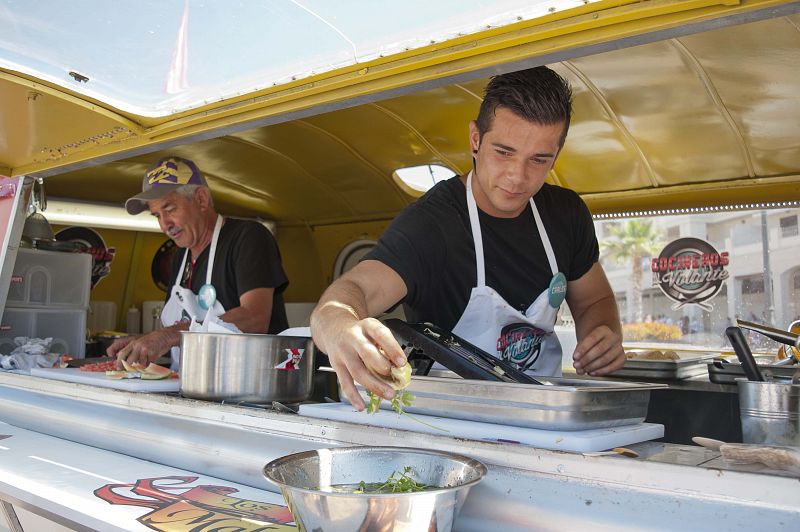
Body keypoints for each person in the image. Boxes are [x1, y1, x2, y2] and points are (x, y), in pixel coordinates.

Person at [310, 66, 625, 410]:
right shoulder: (432, 223)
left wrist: (603, 336)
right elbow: (352, 294)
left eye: (538, 159)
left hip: (545, 412)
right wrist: (340, 327)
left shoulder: (566, 215)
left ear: (556, 156)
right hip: (452, 417)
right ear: (475, 139)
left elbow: (594, 301)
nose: (516, 177)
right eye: (503, 152)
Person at [108, 156, 289, 370]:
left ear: (201, 199)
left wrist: (167, 337)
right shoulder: (179, 257)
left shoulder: (248, 238)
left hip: (249, 387)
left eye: (170, 209)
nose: (165, 225)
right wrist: (143, 342)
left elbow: (254, 318)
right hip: (192, 385)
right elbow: (179, 326)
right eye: (157, 215)